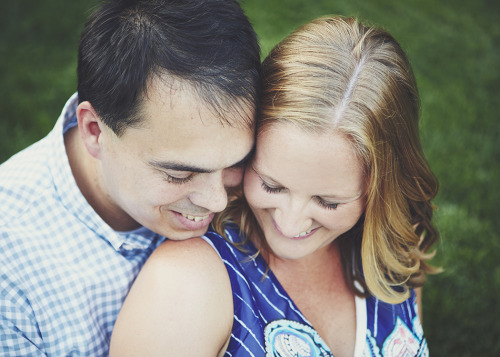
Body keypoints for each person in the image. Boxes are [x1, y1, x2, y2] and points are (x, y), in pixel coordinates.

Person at [109, 16, 439, 356]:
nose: (291, 223)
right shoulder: (188, 280)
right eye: (272, 186)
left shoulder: (393, 256)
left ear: (380, 190)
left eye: (328, 202)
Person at [0, 0, 260, 355]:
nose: (216, 200)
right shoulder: (10, 271)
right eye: (179, 174)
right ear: (95, 131)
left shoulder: (269, 184)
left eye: (235, 161)